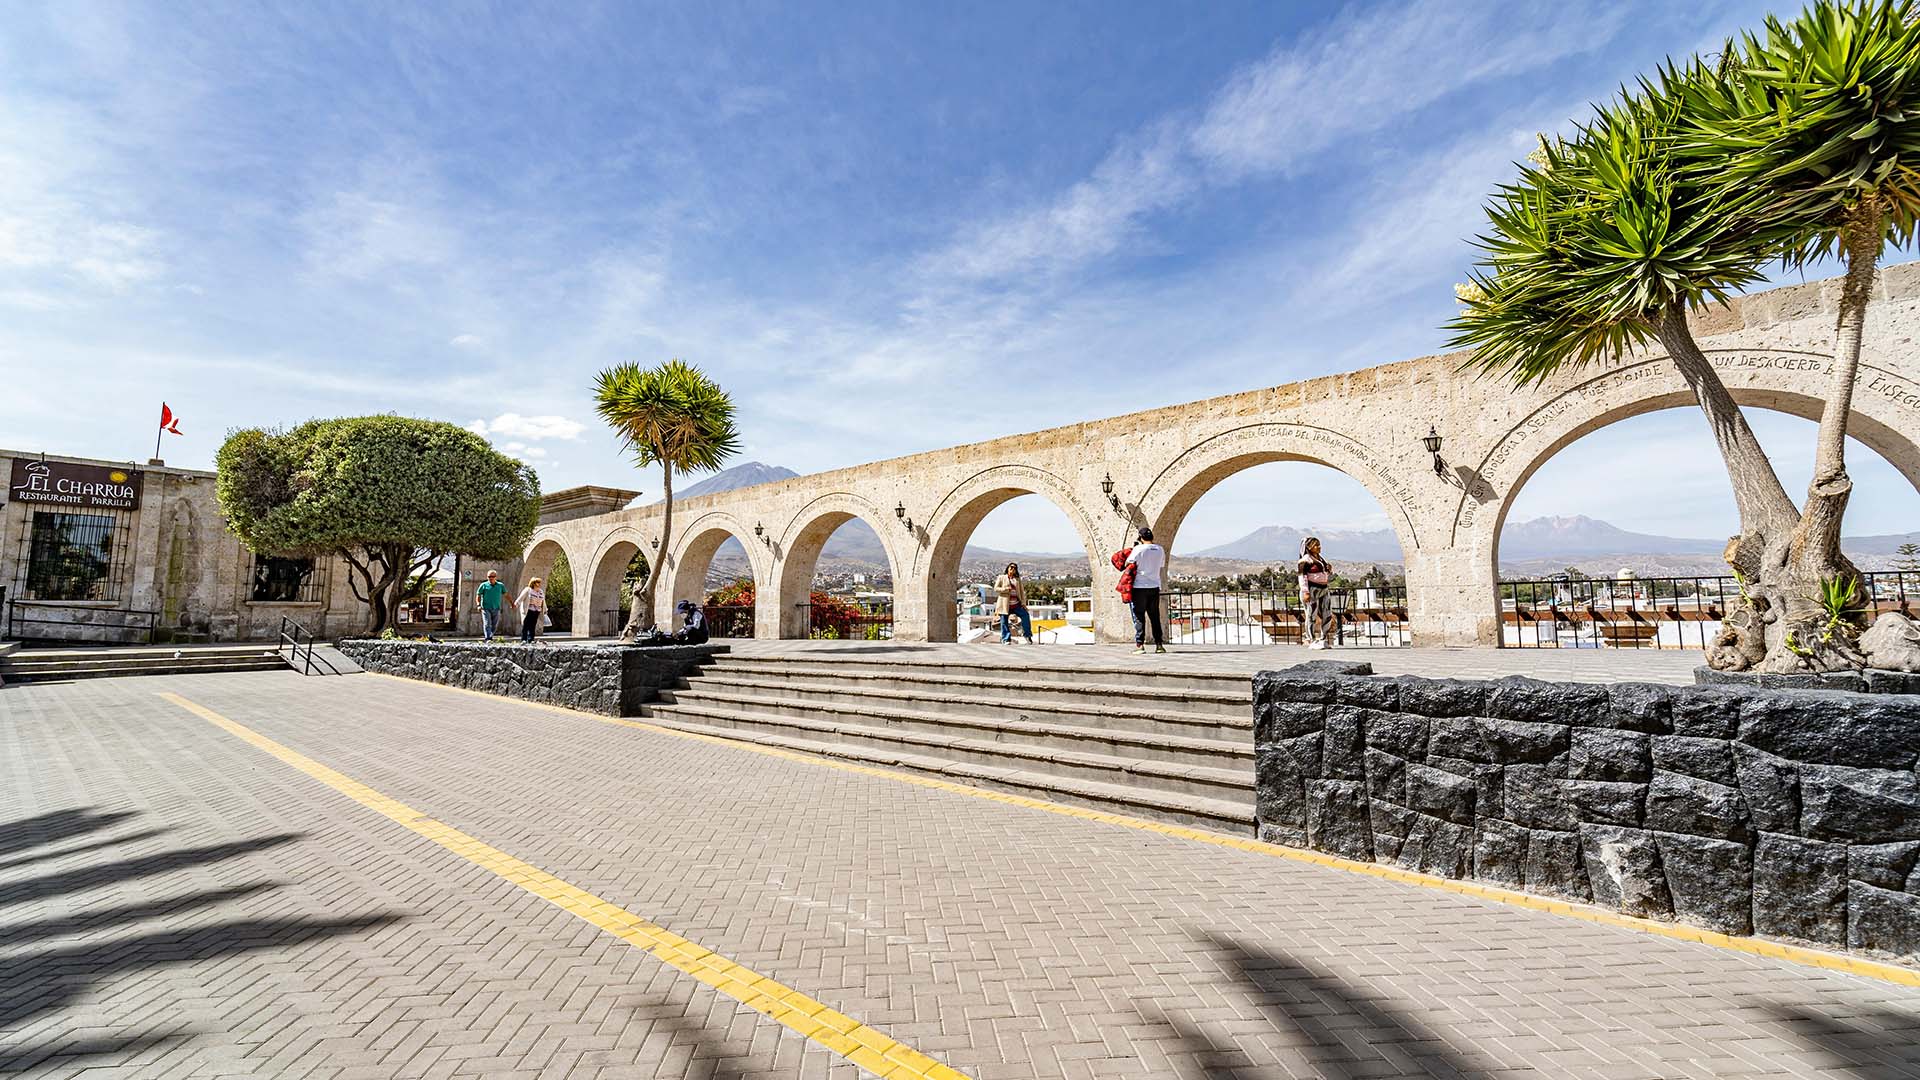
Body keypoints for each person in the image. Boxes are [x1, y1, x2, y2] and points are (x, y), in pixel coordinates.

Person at [1125, 526, 1166, 655]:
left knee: (1139, 616)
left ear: (1141, 538)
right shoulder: (1160, 549)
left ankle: (1140, 645)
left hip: (1139, 587)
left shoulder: (1138, 549)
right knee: (1154, 616)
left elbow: (1128, 562)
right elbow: (1161, 565)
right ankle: (1159, 645)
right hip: (1154, 586)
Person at [1298, 537, 1334, 650]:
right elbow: (1302, 577)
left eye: (1319, 544)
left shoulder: (1321, 559)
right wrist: (1305, 591)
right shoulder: (1305, 560)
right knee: (1311, 614)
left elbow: (1324, 573)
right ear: (1309, 547)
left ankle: (1324, 638)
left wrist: (1329, 569)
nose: (1319, 547)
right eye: (1316, 545)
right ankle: (1312, 639)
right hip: (1312, 590)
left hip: (1323, 589)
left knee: (1327, 613)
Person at [994, 562, 1035, 644]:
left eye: (1014, 568)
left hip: (1016, 604)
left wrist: (1023, 603)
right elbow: (996, 588)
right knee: (1004, 621)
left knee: (1025, 615)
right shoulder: (1001, 577)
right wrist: (1005, 589)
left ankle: (1027, 635)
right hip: (1005, 605)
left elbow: (1021, 592)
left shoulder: (1017, 579)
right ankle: (1006, 639)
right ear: (1007, 569)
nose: (1013, 569)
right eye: (1011, 567)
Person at [475, 570, 508, 642]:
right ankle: (488, 638)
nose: (491, 578)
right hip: (485, 608)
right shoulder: (483, 585)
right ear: (487, 577)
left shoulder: (500, 585)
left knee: (494, 625)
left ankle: (490, 635)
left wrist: (512, 603)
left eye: (492, 577)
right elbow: (478, 595)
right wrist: (478, 605)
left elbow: (506, 595)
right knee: (487, 623)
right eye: (489, 577)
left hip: (496, 608)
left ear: (495, 577)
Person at [516, 577, 546, 644]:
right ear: (533, 583)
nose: (538, 584)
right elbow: (521, 597)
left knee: (533, 625)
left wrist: (545, 609)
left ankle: (531, 639)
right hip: (529, 610)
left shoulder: (541, 591)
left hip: (537, 610)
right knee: (526, 625)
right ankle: (524, 639)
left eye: (539, 582)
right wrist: (516, 604)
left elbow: (543, 601)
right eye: (537, 582)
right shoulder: (528, 590)